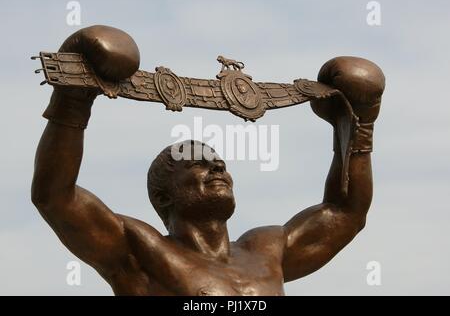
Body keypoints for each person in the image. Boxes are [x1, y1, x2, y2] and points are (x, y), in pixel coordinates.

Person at [31, 25, 385, 295]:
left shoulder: (266, 249)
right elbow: (55, 196)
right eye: (197, 162)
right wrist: (73, 100)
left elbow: (345, 212)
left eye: (220, 162)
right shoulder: (141, 250)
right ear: (164, 196)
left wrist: (359, 125)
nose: (217, 167)